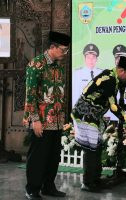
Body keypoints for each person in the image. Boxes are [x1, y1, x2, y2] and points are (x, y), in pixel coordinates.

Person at [71, 56, 126, 192]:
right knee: (92, 149)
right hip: (84, 115)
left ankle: (95, 179)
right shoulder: (109, 79)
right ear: (121, 70)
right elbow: (113, 106)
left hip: (93, 116)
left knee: (96, 148)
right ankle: (88, 183)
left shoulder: (112, 77)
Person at [23, 31, 70, 200]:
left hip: (56, 121)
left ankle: (48, 186)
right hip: (40, 121)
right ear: (52, 47)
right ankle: (32, 189)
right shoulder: (36, 65)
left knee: (52, 157)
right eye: (63, 50)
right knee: (38, 158)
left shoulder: (58, 66)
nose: (65, 53)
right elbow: (30, 95)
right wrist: (35, 120)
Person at [105, 44, 126, 121]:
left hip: (125, 115)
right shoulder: (109, 78)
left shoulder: (111, 75)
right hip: (105, 118)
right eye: (117, 57)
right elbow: (112, 105)